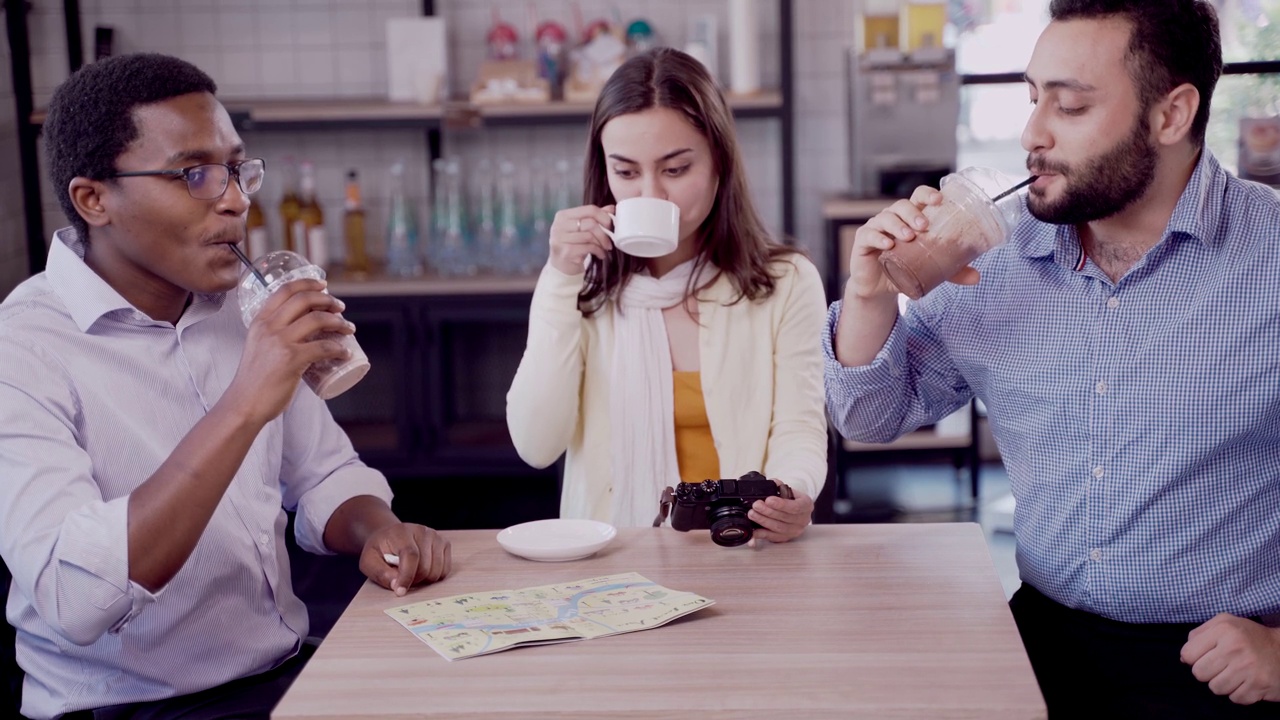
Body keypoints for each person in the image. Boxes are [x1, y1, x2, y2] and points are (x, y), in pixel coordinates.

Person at [824, 1, 1280, 717]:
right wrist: (869, 293)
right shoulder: (1000, 259)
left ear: (1172, 115)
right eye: (1033, 99)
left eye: (1067, 106)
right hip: (1042, 646)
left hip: (1222, 668)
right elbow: (870, 415)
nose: (1031, 133)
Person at [0, 53, 451, 720]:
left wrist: (381, 531)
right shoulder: (24, 349)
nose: (237, 199)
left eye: (237, 168)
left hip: (281, 674)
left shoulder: (240, 309)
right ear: (93, 199)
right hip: (130, 711)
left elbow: (324, 476)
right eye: (195, 174)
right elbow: (77, 599)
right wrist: (244, 403)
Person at [507, 48, 827, 540]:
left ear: (719, 163)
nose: (650, 195)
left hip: (743, 553)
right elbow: (535, 443)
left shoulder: (785, 283)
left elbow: (799, 428)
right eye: (627, 173)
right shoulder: (584, 286)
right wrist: (558, 278)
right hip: (609, 564)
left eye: (675, 170)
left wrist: (789, 492)